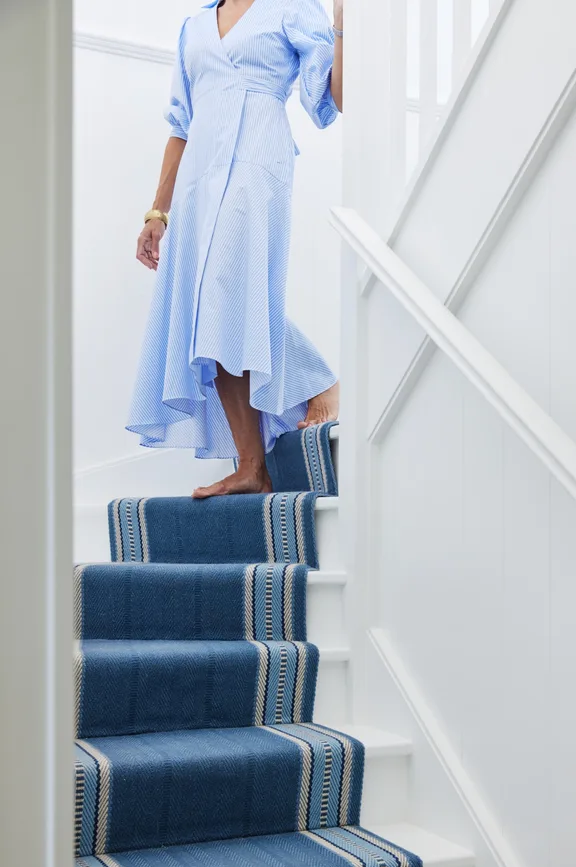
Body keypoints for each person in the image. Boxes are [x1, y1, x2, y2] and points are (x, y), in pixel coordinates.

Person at [128, 0, 343, 497]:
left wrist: (341, 28)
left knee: (229, 291)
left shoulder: (290, 7)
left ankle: (316, 385)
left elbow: (329, 98)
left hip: (256, 158)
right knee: (209, 308)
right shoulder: (195, 26)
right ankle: (253, 466)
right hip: (199, 174)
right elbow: (181, 125)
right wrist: (157, 212)